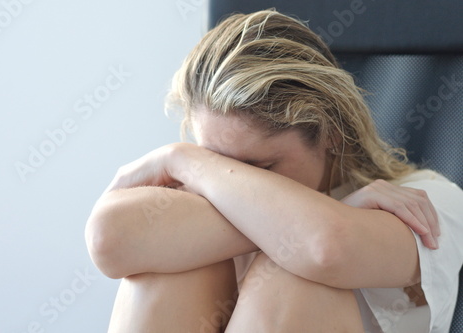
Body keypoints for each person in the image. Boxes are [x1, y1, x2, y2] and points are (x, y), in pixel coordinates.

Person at [85, 9, 463, 333]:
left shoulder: (427, 200)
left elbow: (324, 248)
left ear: (330, 132)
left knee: (294, 274)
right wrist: (184, 160)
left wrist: (327, 218)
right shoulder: (200, 183)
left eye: (259, 168)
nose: (232, 181)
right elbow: (108, 237)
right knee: (173, 266)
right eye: (215, 162)